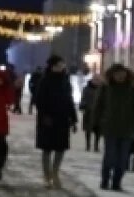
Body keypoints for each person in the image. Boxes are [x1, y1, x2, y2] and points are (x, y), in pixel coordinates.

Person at [91, 64, 134, 191]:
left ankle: (117, 182)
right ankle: (105, 180)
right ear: (112, 75)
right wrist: (95, 122)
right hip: (110, 127)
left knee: (122, 159)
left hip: (127, 128)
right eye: (117, 74)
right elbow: (98, 105)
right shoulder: (106, 87)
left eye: (122, 74)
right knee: (110, 156)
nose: (120, 77)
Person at [34, 55, 77, 188]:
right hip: (48, 119)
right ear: (52, 66)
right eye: (58, 65)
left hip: (62, 119)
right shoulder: (45, 80)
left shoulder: (65, 81)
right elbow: (39, 100)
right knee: (47, 149)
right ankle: (47, 176)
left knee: (60, 148)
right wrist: (45, 115)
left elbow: (69, 100)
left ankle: (55, 173)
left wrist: (73, 118)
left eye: (62, 65)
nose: (61, 67)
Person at [79, 75, 103, 151]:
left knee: (98, 130)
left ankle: (96, 145)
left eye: (98, 80)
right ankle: (88, 144)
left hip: (99, 113)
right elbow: (83, 98)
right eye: (95, 79)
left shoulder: (103, 89)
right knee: (88, 129)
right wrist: (83, 105)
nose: (97, 81)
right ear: (92, 80)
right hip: (89, 111)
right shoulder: (86, 89)